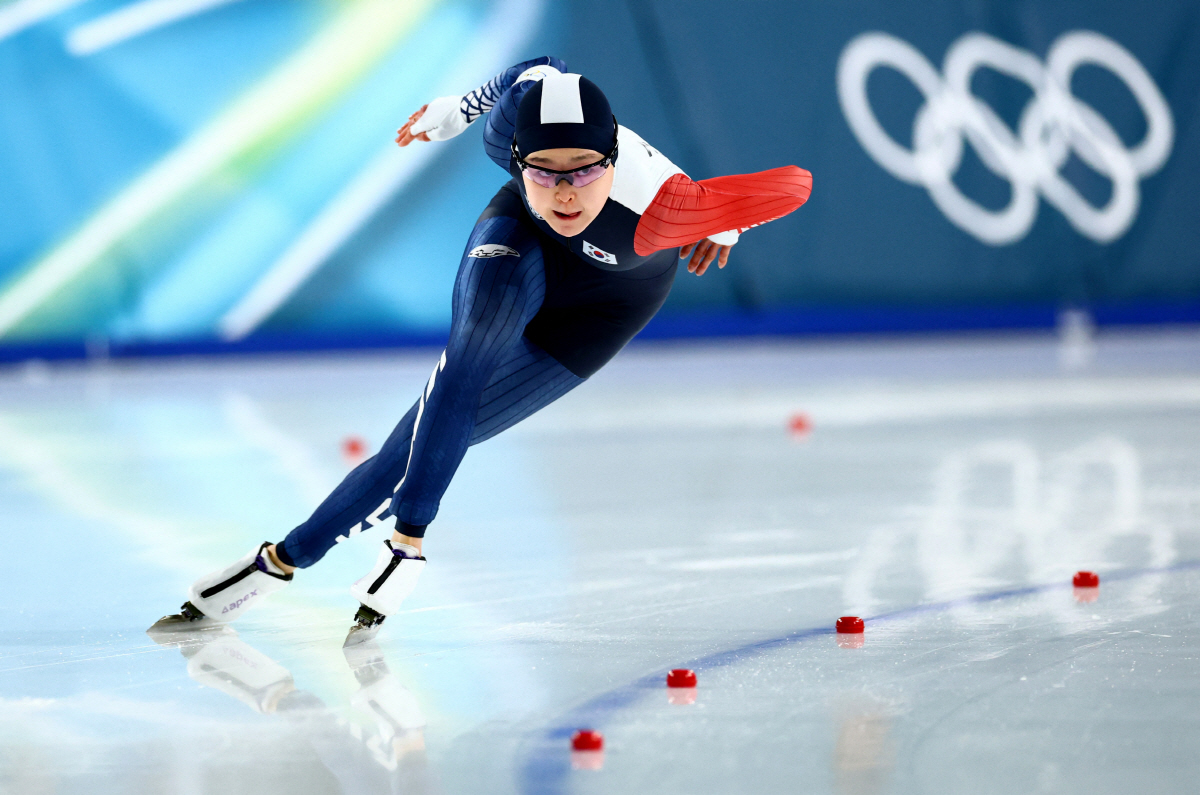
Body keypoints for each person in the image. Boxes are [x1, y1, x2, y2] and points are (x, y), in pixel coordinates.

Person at [151, 57, 812, 645]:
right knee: (459, 371)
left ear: (610, 161)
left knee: (423, 442)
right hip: (521, 246)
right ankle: (370, 551)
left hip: (607, 307)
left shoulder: (665, 209)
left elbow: (795, 184)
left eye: (583, 172)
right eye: (543, 172)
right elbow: (529, 70)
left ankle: (286, 559)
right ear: (517, 157)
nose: (563, 193)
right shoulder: (508, 135)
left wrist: (721, 217)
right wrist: (453, 113)